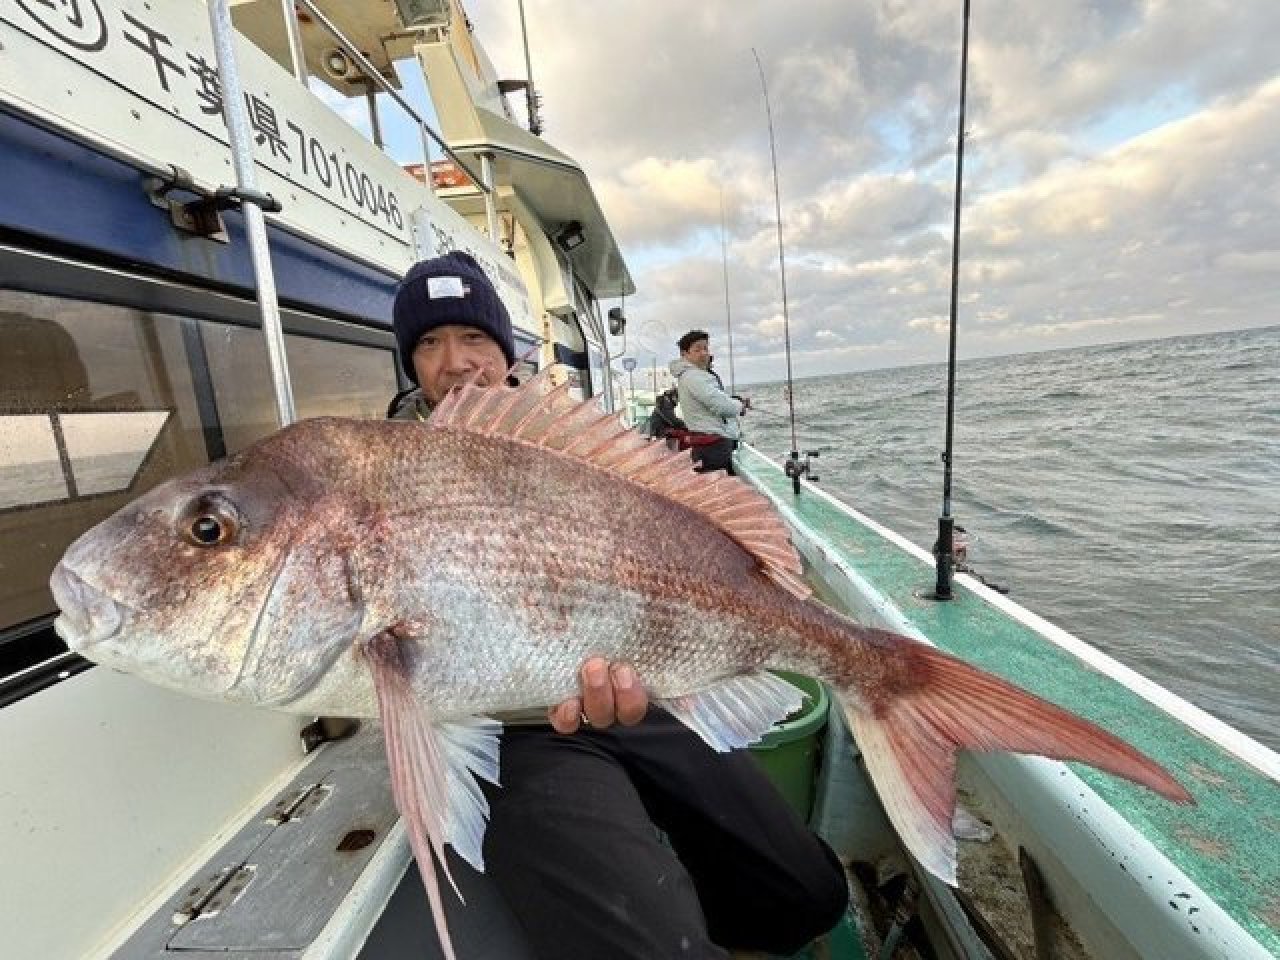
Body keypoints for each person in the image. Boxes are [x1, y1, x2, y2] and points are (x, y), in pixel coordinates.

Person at [385, 252, 848, 960]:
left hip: (640, 688)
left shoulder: (568, 443)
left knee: (807, 891)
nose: (453, 362)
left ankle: (713, 910)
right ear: (410, 364)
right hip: (507, 730)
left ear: (504, 351)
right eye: (427, 342)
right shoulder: (379, 471)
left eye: (473, 337)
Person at [669, 330, 749, 475]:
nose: (703, 353)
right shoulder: (693, 377)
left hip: (709, 445)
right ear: (684, 354)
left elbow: (714, 399)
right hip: (713, 447)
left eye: (705, 348)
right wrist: (740, 406)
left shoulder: (695, 375)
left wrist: (734, 402)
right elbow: (719, 405)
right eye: (697, 349)